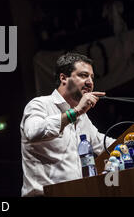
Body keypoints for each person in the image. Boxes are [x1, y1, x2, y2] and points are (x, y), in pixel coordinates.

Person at [20, 52, 115, 196]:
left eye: (92, 77)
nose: (90, 82)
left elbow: (102, 143)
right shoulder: (39, 105)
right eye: (83, 75)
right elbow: (33, 132)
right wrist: (76, 112)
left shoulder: (82, 118)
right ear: (64, 78)